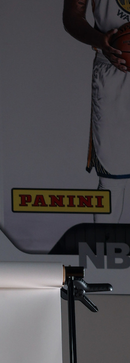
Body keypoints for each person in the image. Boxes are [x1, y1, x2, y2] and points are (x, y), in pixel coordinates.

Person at [64, 0, 130, 220]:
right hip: (113, 65)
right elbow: (72, 16)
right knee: (112, 179)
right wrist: (100, 40)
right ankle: (106, 252)